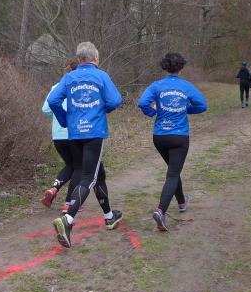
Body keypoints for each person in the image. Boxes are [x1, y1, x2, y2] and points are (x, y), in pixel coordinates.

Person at [48, 42, 124, 248]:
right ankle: (68, 219)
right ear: (96, 59)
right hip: (94, 133)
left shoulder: (69, 77)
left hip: (74, 134)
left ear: (79, 59)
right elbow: (115, 100)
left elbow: (53, 101)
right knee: (89, 177)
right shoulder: (101, 76)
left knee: (99, 174)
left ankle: (109, 216)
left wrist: (65, 120)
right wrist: (101, 110)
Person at [137, 52, 208, 232]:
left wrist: (153, 112)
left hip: (160, 137)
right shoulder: (186, 86)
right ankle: (161, 211)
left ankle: (182, 202)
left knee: (173, 171)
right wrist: (185, 109)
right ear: (181, 68)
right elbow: (202, 105)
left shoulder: (156, 86)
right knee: (173, 174)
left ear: (165, 67)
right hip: (178, 137)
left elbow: (143, 102)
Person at [41, 58, 106, 214]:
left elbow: (46, 109)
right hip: (74, 133)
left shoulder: (56, 87)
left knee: (70, 165)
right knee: (79, 167)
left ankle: (54, 188)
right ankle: (69, 203)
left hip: (57, 135)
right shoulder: (81, 87)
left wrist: (58, 118)